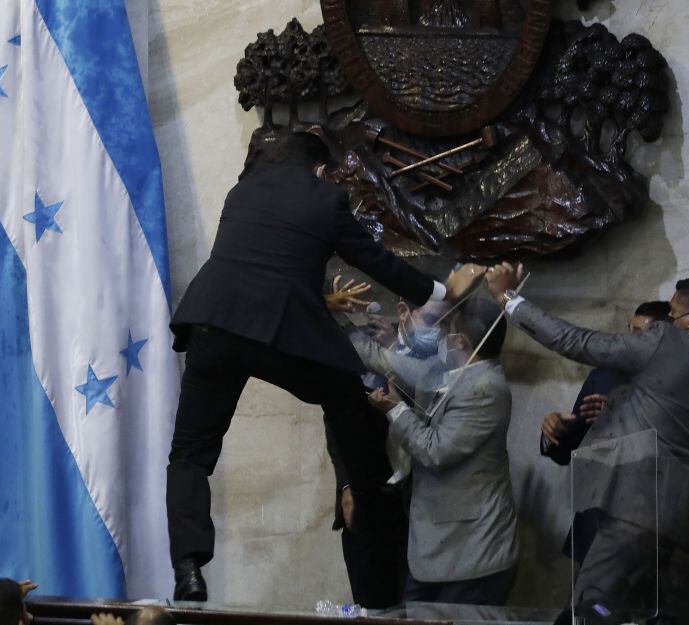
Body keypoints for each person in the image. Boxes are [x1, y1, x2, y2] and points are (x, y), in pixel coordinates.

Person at [166, 131, 483, 600]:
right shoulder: (325, 197)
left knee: (189, 454)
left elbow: (264, 260)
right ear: (319, 170)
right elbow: (376, 261)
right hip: (280, 333)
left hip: (213, 327)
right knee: (350, 404)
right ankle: (370, 521)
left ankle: (188, 567)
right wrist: (441, 293)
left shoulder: (241, 190)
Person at [484, 263, 689, 624]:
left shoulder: (666, 341)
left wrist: (509, 298)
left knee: (590, 608)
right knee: (644, 614)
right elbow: (673, 425)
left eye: (672, 315)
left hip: (634, 516)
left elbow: (575, 341)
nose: (666, 323)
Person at [357, 296, 520, 605]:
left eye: (447, 327)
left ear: (459, 340)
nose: (440, 335)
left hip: (473, 557)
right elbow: (381, 358)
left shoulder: (486, 388)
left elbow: (436, 450)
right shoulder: (444, 371)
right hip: (436, 554)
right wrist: (333, 317)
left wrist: (396, 411)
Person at [321, 285, 451, 610]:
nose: (436, 329)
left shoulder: (436, 363)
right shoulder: (346, 362)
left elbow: (430, 422)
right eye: (430, 318)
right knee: (373, 604)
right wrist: (346, 485)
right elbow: (336, 425)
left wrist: (396, 350)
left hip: (415, 507)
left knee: (414, 606)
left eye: (442, 322)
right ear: (405, 312)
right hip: (365, 497)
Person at [540, 301, 672, 466]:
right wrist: (556, 432)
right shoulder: (602, 378)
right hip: (606, 486)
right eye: (629, 329)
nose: (629, 340)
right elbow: (569, 451)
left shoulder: (681, 382)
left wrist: (620, 420)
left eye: (638, 334)